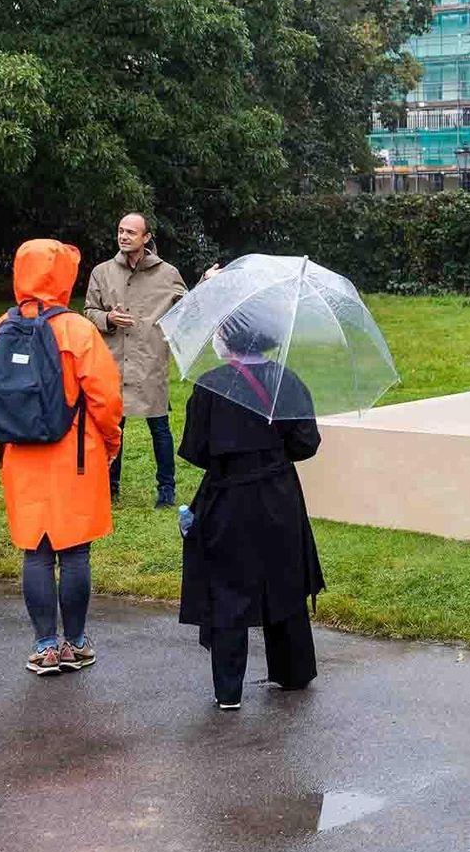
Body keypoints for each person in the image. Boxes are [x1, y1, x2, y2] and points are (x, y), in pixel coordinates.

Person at [0, 240, 123, 677]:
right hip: (74, 456)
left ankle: (44, 645)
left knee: (36, 552)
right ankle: (75, 643)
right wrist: (111, 442)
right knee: (75, 552)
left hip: (20, 457)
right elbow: (105, 400)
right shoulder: (78, 331)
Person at [178, 314, 324, 711]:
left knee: (228, 588)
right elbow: (307, 442)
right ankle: (293, 672)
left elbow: (196, 449)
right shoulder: (286, 380)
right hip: (280, 496)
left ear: (230, 337)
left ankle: (228, 691)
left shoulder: (210, 385)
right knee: (284, 580)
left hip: (228, 498)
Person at [83, 213, 188, 508]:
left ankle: (166, 489)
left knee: (160, 427)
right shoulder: (102, 272)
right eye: (121, 230)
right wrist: (108, 318)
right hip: (113, 362)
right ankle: (109, 484)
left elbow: (189, 307)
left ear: (146, 237)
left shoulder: (168, 274)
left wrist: (205, 284)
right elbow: (89, 311)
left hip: (150, 361)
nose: (124, 236)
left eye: (131, 232)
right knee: (113, 427)